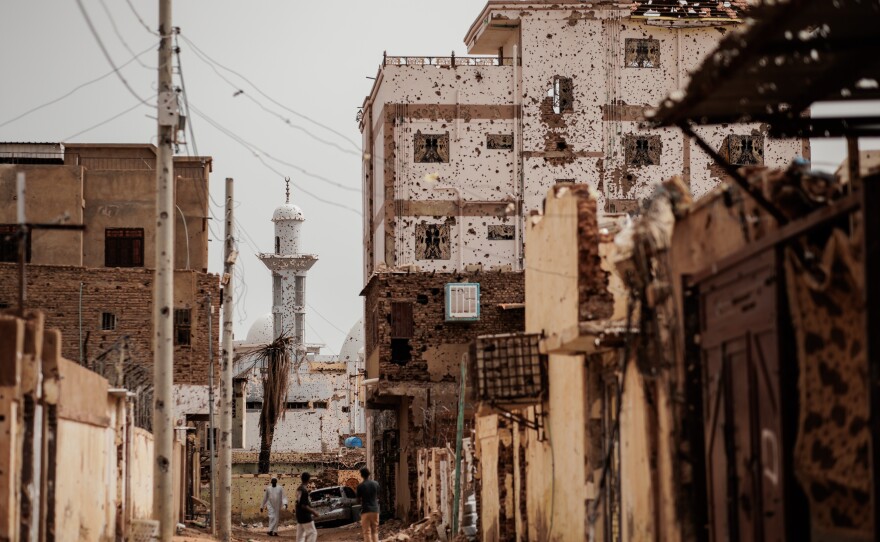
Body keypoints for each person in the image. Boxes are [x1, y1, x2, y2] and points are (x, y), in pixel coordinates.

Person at [356, 467, 380, 542]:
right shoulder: (376, 484)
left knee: (366, 531)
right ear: (369, 474)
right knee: (375, 530)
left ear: (361, 475)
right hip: (375, 510)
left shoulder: (360, 486)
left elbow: (358, 500)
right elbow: (379, 495)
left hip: (365, 510)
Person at [294, 472, 319, 542]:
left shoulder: (299, 489)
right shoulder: (304, 491)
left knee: (300, 536)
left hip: (299, 515)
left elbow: (299, 503)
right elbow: (304, 505)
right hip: (305, 516)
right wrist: (314, 512)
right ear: (308, 479)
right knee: (313, 533)